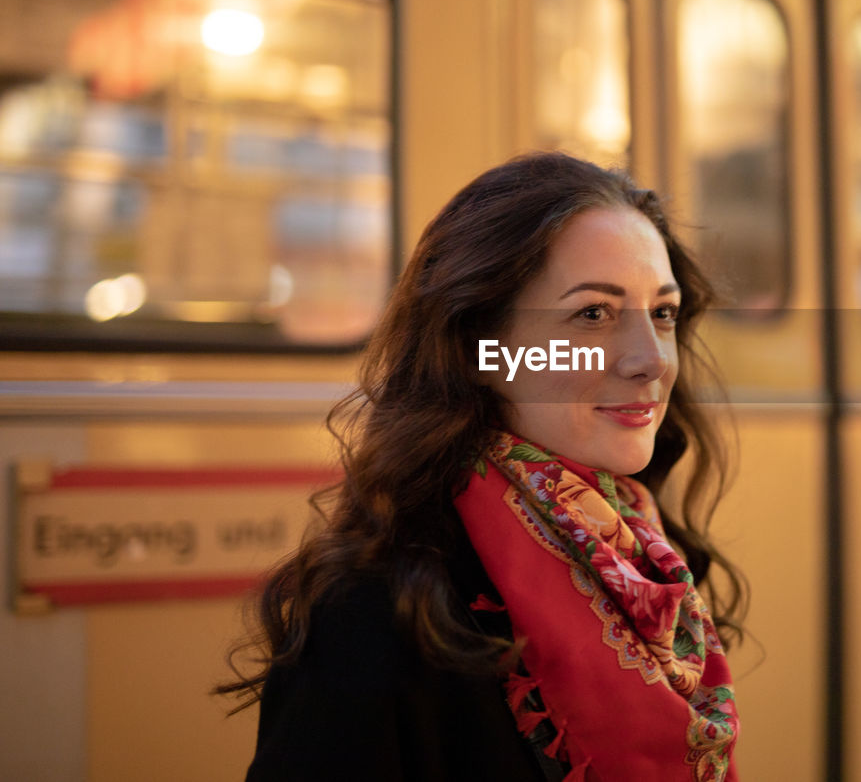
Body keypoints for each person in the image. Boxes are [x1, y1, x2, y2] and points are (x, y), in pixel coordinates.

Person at [217, 152, 746, 782]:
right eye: (593, 314)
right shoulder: (378, 611)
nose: (650, 360)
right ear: (482, 349)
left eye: (662, 313)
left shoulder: (653, 565)